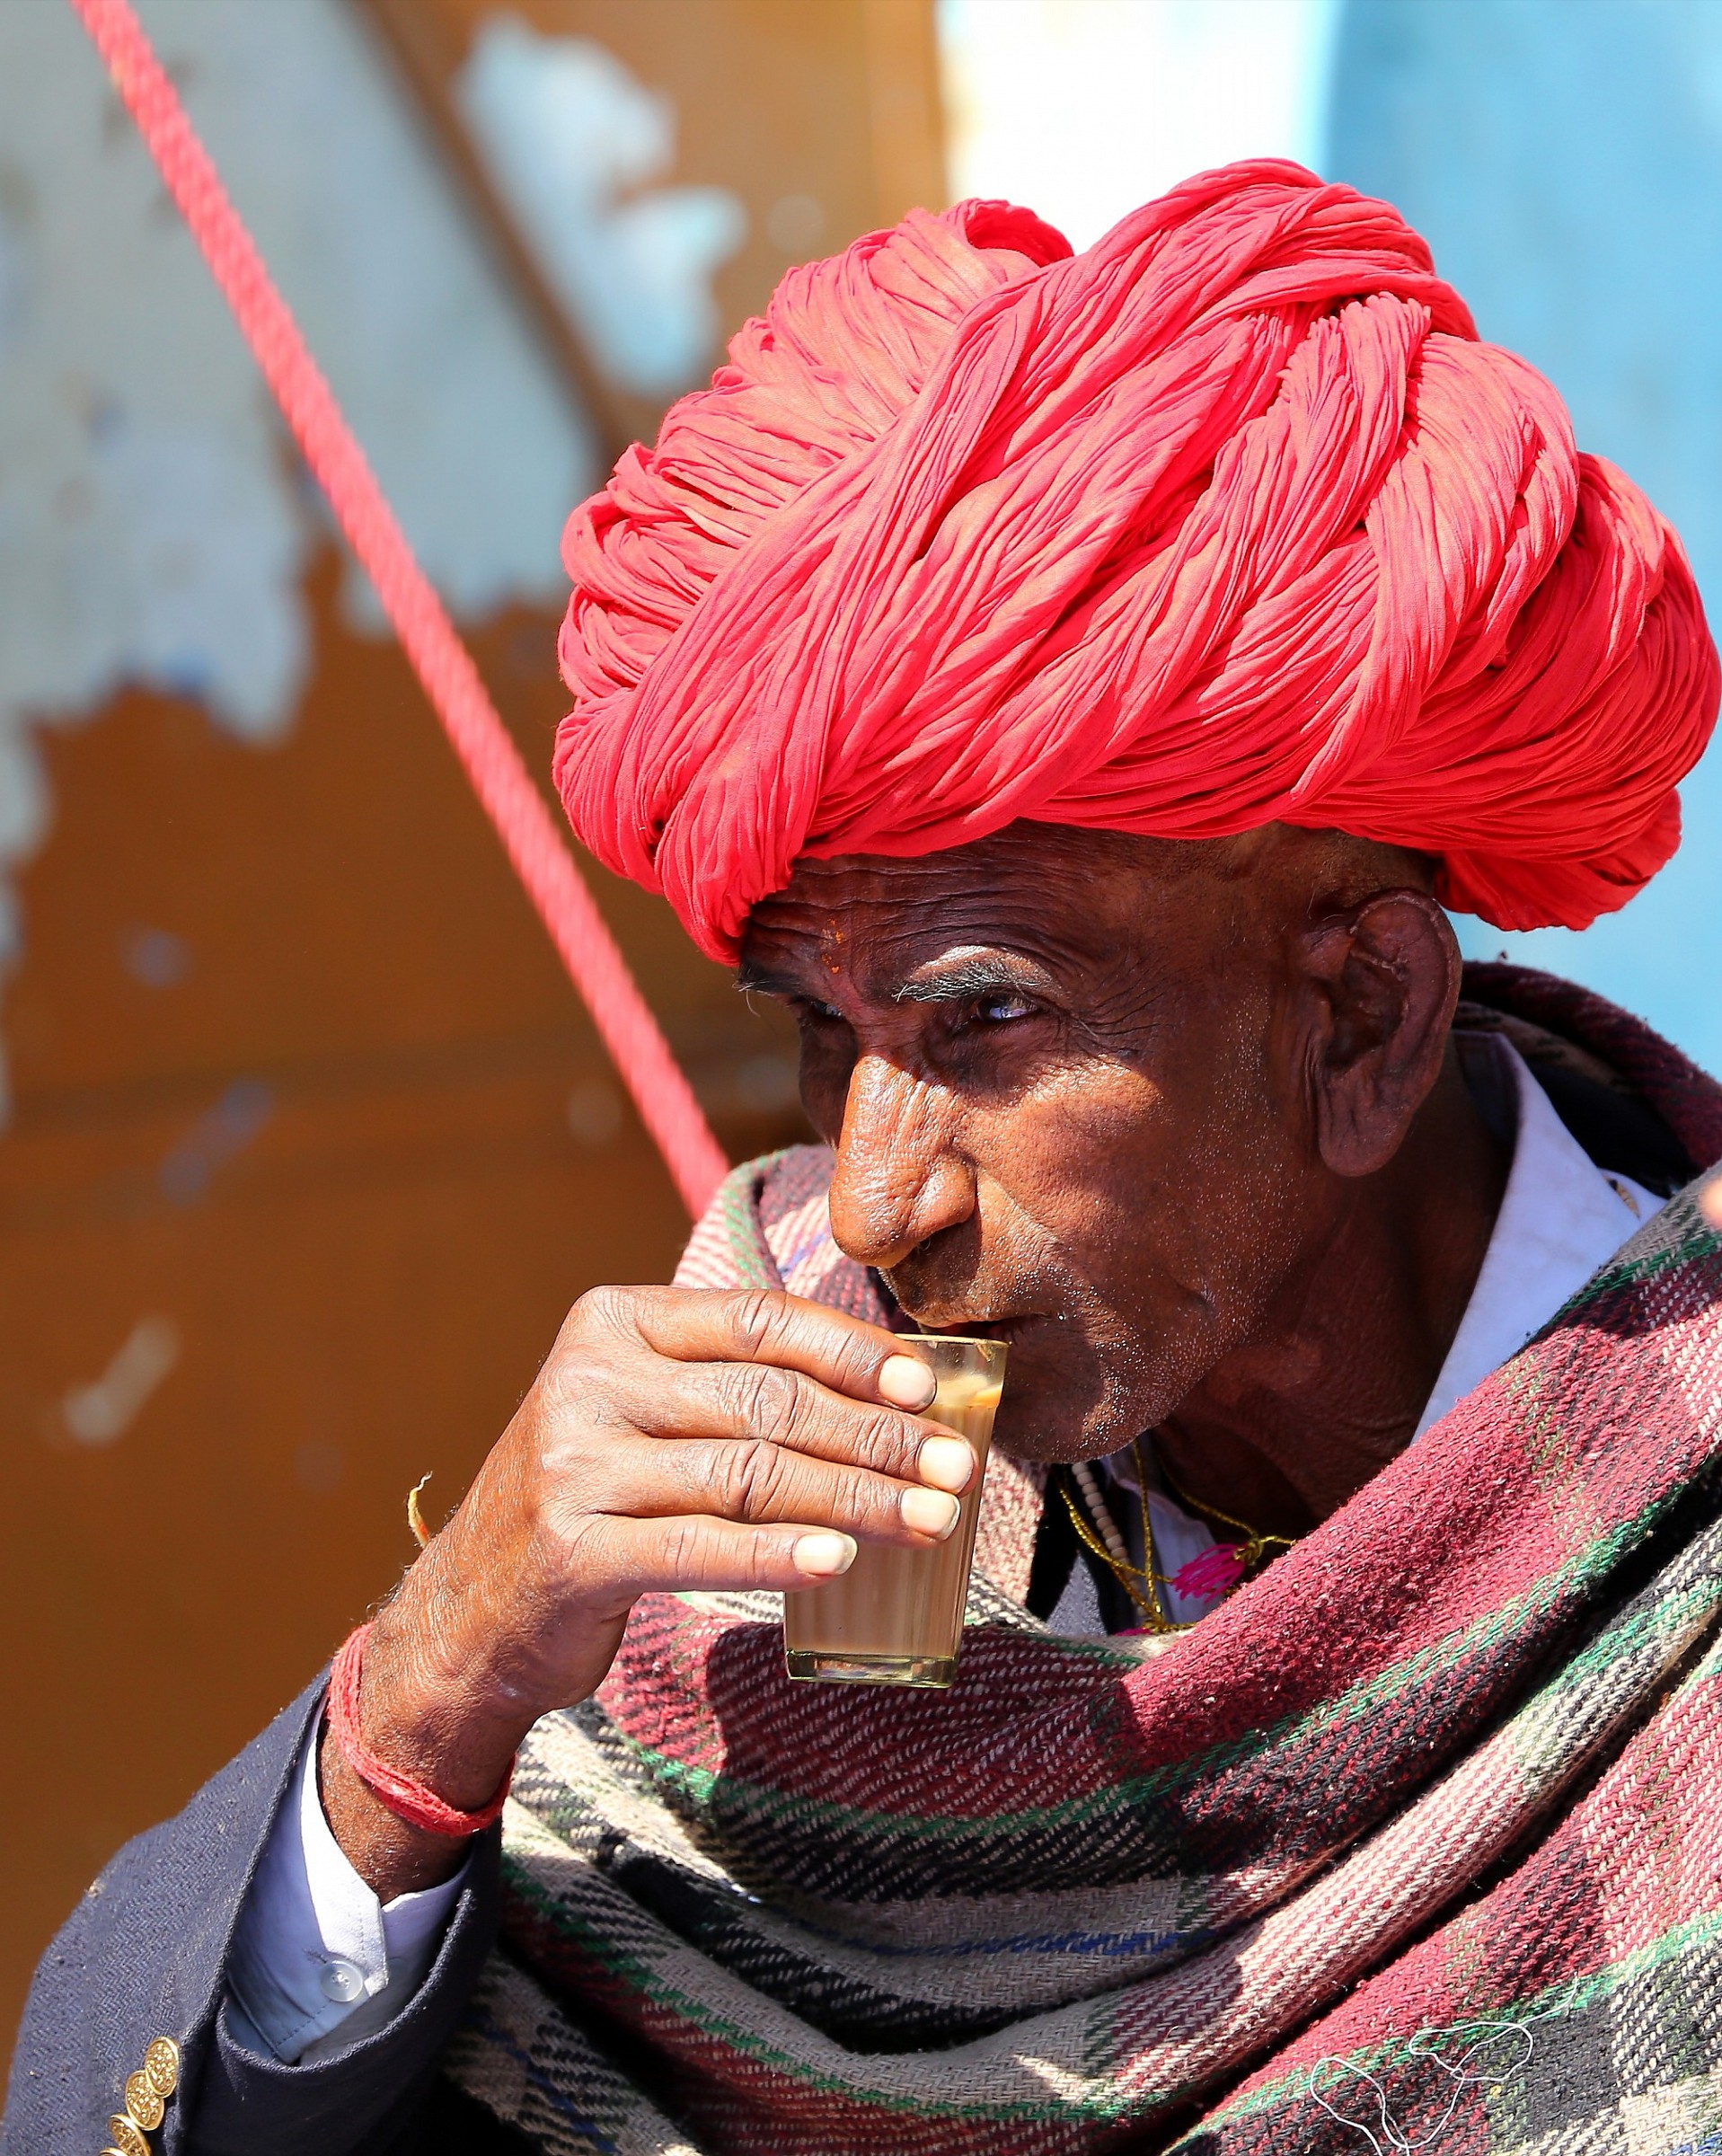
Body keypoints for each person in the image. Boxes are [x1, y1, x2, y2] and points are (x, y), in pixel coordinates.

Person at [10, 162, 1722, 2156]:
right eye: (825, 1041)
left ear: (1355, 1019)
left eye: (977, 1019)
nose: (869, 1196)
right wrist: (424, 1700)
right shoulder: (738, 1468)